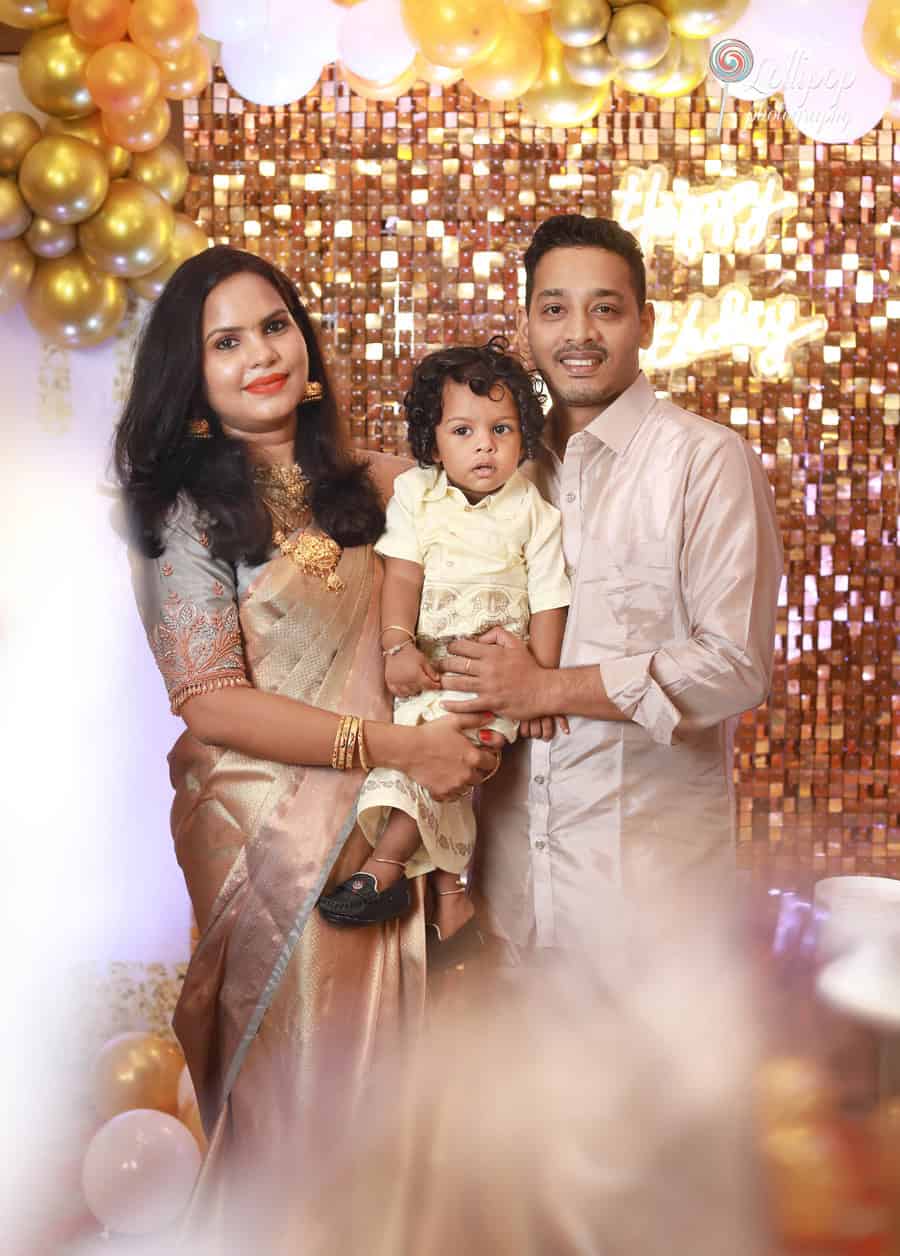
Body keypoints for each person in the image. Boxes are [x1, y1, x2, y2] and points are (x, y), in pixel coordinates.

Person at [114, 245, 503, 1242]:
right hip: (273, 845)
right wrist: (389, 746)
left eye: (275, 324)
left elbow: (473, 590)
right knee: (308, 1101)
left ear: (309, 341)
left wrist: (465, 724)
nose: (260, 354)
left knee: (418, 1109)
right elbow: (209, 700)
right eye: (226, 340)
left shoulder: (387, 483)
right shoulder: (184, 514)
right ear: (191, 376)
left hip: (399, 825)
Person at [437, 214, 785, 953]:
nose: (579, 333)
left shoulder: (706, 462)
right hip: (510, 907)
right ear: (528, 324)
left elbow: (734, 667)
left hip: (652, 923)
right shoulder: (499, 474)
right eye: (555, 309)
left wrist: (546, 689)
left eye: (606, 308)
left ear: (646, 323)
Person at [316, 341, 570, 960]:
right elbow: (401, 575)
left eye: (501, 429)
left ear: (523, 438)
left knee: (450, 755)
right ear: (432, 445)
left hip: (497, 677)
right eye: (464, 430)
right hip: (429, 668)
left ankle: (386, 866)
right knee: (416, 763)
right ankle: (453, 897)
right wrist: (395, 646)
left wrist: (539, 683)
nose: (484, 445)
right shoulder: (416, 495)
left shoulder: (534, 513)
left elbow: (550, 601)